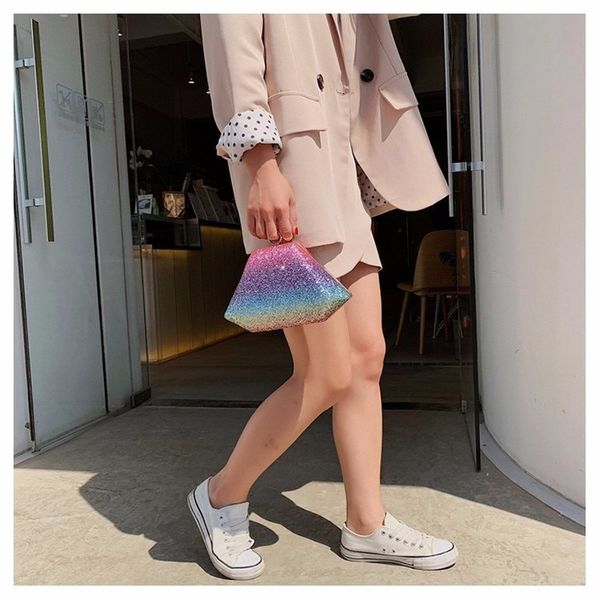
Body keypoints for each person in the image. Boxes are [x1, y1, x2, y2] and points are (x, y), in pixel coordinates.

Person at [188, 13, 458, 580]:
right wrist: (261, 168)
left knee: (366, 360)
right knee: (326, 373)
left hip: (341, 177)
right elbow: (236, 60)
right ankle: (219, 495)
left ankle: (365, 522)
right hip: (292, 177)